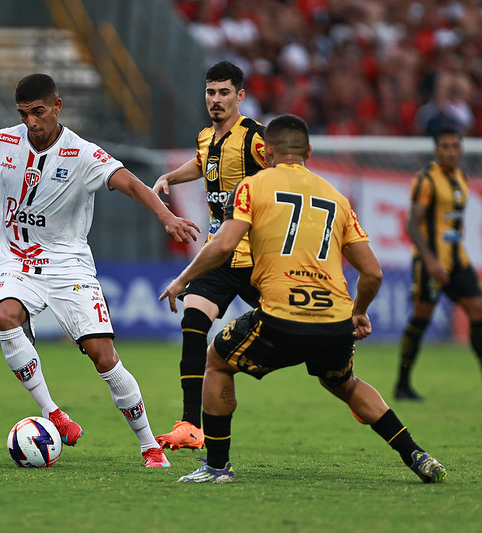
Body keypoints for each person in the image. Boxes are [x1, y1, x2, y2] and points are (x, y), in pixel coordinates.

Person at [161, 114, 447, 484]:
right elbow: (373, 273)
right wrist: (358, 313)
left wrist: (183, 279)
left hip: (280, 318)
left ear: (267, 152)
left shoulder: (252, 186)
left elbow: (225, 244)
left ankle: (216, 467)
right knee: (345, 383)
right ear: (309, 152)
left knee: (217, 360)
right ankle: (416, 454)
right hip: (334, 321)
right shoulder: (337, 197)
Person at [0, 73, 200, 468]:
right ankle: (53, 412)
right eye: (23, 114)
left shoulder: (83, 154)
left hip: (67, 264)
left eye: (38, 112)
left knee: (103, 356)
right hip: (14, 259)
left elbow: (128, 183)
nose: (31, 123)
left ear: (57, 107)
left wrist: (166, 216)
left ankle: (149, 446)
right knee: (5, 315)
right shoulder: (3, 142)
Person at [152, 61, 266, 451]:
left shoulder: (255, 138)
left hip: (256, 257)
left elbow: (285, 176)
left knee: (292, 325)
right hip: (217, 255)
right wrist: (171, 177)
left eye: (223, 93)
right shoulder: (206, 137)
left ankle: (340, 370)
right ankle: (190, 424)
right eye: (210, 92)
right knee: (193, 323)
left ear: (240, 96)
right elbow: (202, 165)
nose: (215, 100)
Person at [394, 126, 482, 401]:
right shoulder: (426, 181)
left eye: (455, 146)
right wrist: (430, 260)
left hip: (458, 260)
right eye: (445, 146)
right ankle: (403, 384)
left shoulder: (461, 178)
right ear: (436, 150)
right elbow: (413, 223)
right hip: (430, 263)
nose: (451, 151)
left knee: (478, 311)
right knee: (422, 317)